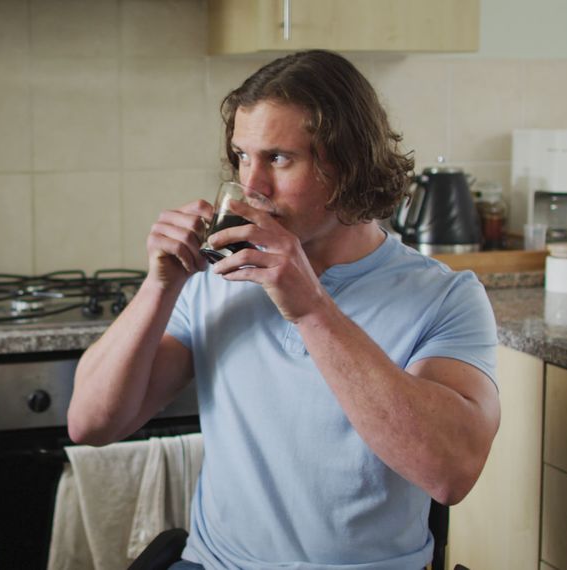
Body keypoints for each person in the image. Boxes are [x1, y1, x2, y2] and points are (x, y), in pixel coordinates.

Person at [68, 50, 500, 569]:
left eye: (278, 158)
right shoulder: (215, 279)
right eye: (242, 156)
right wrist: (160, 286)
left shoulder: (443, 298)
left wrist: (313, 310)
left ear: (347, 164)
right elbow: (90, 424)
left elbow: (451, 473)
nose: (252, 187)